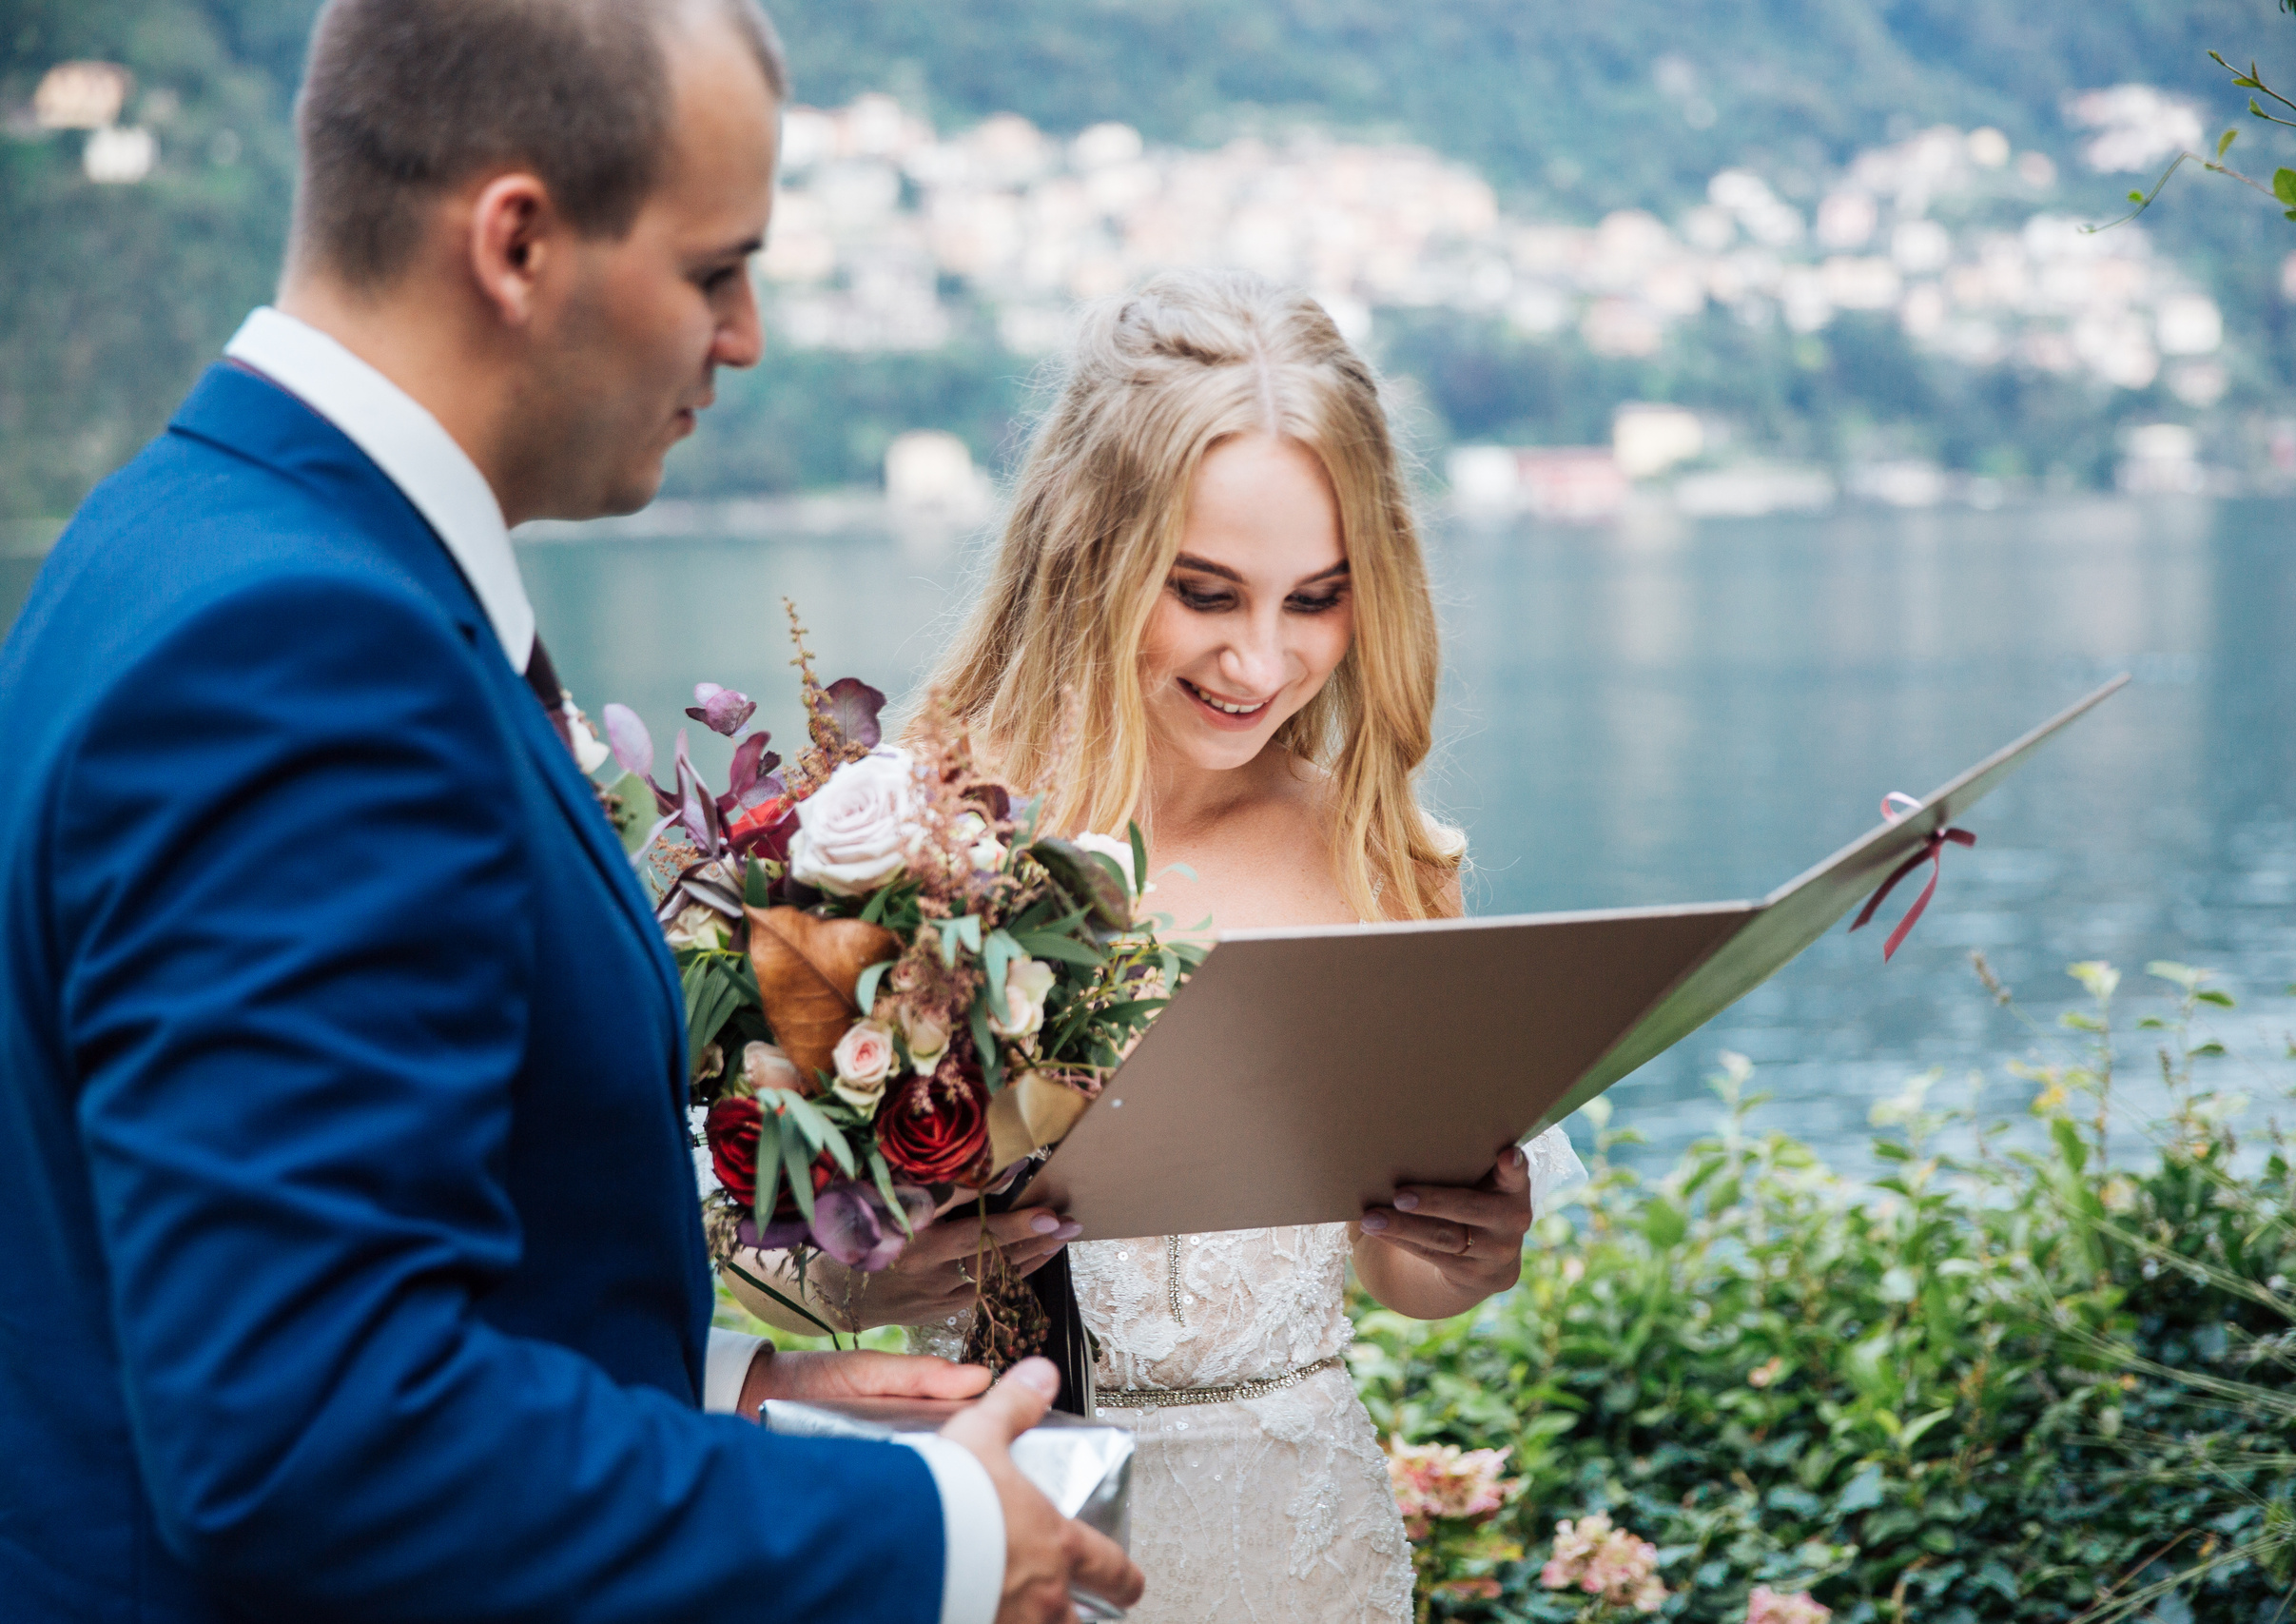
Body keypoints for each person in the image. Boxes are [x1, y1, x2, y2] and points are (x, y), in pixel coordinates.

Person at [0, 2, 1138, 1621]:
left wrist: (723, 1397)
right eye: (713, 269)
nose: (744, 336)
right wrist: (929, 1540)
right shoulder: (306, 651)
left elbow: (226, 1285)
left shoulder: (173, 534)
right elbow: (308, 1437)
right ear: (518, 243)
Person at [887, 268, 1585, 1621]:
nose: (1260, 664)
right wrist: (866, 1275)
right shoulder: (909, 836)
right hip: (999, 1530)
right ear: (1088, 550)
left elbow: (1396, 1265)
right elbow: (758, 1258)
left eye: (1315, 600)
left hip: (1307, 1553)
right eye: (1206, 593)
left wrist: (1467, 1251)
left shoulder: (1377, 857)